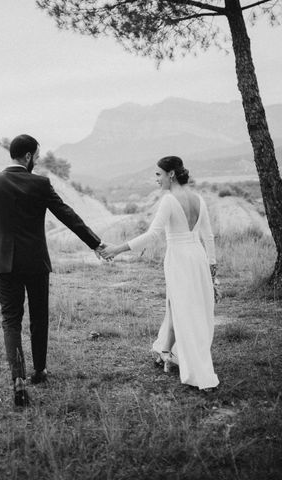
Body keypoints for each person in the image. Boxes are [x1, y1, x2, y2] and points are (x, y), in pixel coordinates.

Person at [0, 134, 104, 407]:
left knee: (10, 320)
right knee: (39, 315)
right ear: (27, 157)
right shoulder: (40, 183)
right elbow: (66, 214)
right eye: (37, 155)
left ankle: (18, 380)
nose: (37, 159)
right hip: (35, 262)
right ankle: (40, 371)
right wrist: (95, 243)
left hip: (3, 264)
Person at [100, 156, 219, 391]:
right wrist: (213, 271)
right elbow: (209, 237)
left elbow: (152, 235)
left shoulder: (169, 200)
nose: (156, 179)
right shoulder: (199, 199)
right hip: (198, 257)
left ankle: (192, 365)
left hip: (179, 259)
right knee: (182, 306)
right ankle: (165, 351)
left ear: (171, 174)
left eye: (158, 174)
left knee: (181, 308)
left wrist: (117, 249)